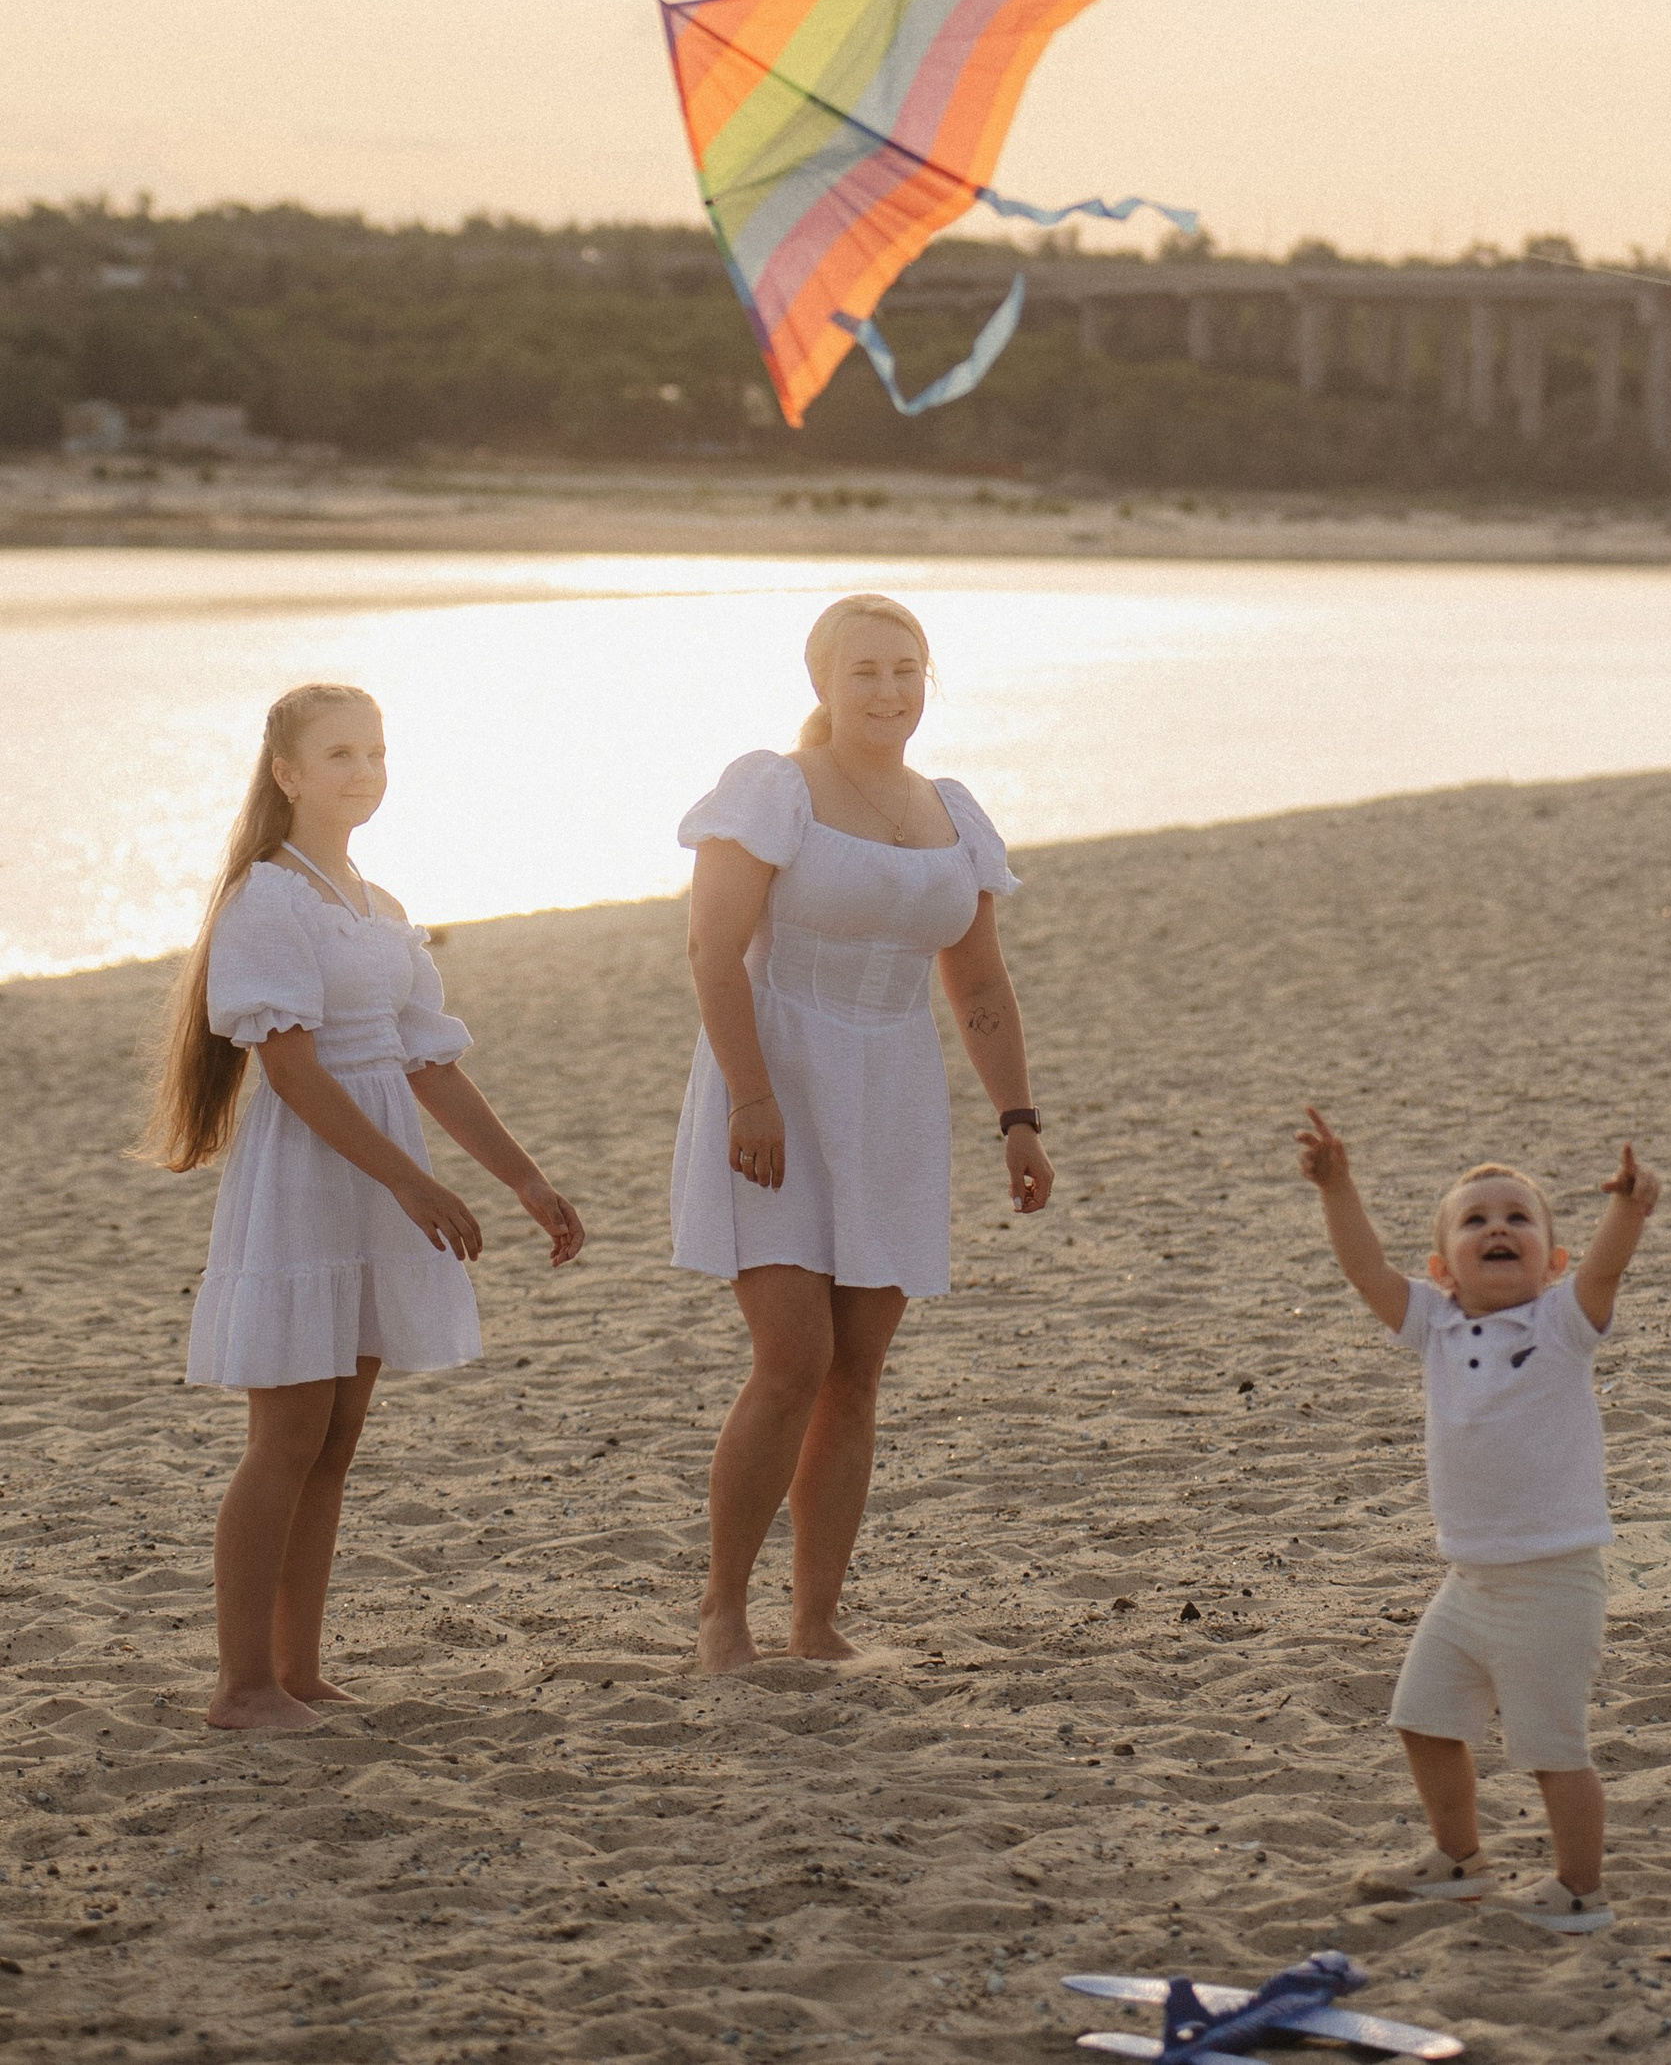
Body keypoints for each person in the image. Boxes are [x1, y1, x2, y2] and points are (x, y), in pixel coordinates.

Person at [141, 683, 585, 1733]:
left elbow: (428, 1063)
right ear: (286, 773)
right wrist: (409, 1178)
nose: (363, 772)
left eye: (376, 753)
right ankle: (241, 1684)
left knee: (338, 1434)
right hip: (311, 1176)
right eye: (339, 754)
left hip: (381, 1169)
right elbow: (292, 1072)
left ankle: (297, 1670)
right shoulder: (268, 897)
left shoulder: (378, 907)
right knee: (285, 1434)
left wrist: (522, 1178)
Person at [670, 593, 1053, 1671]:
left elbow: (977, 980)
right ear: (822, 685)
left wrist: (1015, 1119)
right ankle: (724, 1609)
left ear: (927, 680)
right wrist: (751, 1093)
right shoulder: (773, 788)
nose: (887, 692)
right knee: (792, 1358)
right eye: (865, 673)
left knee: (858, 1372)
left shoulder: (953, 810)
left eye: (905, 670)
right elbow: (711, 950)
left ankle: (817, 1619)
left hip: (892, 1090)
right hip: (777, 1078)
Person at [1296, 1107, 1662, 1932]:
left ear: (1553, 1257)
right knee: (1422, 1718)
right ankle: (1459, 1861)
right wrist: (1338, 1183)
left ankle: (1578, 1890)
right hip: (1469, 1579)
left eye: (1518, 1219)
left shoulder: (1562, 1321)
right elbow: (1365, 1269)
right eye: (1476, 1220)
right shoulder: (1434, 1324)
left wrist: (1627, 1208)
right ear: (1444, 1267)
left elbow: (1606, 1269)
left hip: (1553, 1578)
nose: (1499, 1228)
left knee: (1550, 1749)